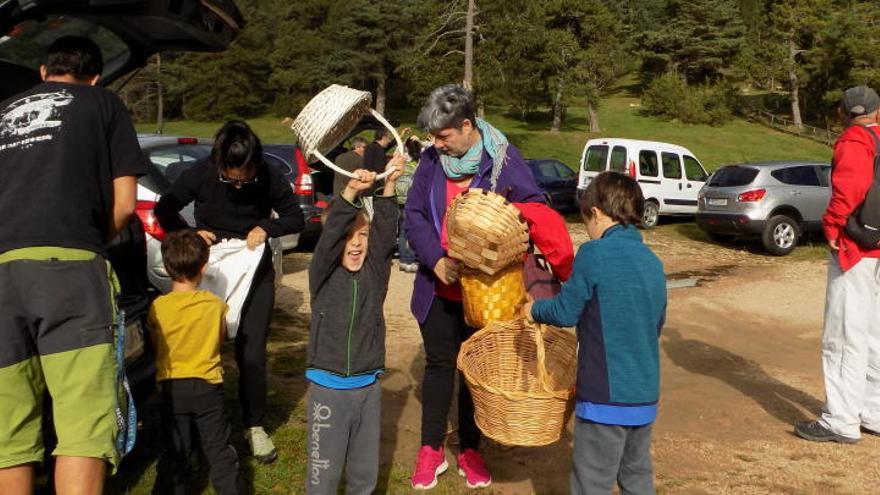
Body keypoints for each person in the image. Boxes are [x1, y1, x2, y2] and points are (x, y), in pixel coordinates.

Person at [0, 36, 145, 493]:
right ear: (96, 77)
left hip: (2, 272)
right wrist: (86, 242)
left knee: (9, 432)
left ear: (44, 72)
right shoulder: (104, 103)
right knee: (83, 424)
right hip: (69, 267)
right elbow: (124, 204)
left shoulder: (4, 111)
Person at [404, 84, 545, 490]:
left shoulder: (503, 160)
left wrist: (500, 247)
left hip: (488, 293)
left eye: (444, 136)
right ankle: (431, 449)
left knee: (474, 371)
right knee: (438, 365)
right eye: (433, 137)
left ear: (466, 126)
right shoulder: (432, 161)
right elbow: (414, 214)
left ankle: (470, 448)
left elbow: (534, 208)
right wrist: (435, 259)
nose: (437, 144)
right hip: (439, 287)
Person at [155, 120, 304, 463]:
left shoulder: (267, 175)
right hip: (212, 268)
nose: (237, 184)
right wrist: (191, 235)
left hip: (254, 269)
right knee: (198, 349)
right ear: (219, 163)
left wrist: (267, 226)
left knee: (251, 353)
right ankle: (192, 424)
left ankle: (254, 425)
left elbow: (296, 217)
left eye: (244, 177)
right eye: (229, 177)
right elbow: (166, 208)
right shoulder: (202, 173)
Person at [525, 171, 667, 495]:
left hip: (605, 395)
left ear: (597, 214)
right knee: (637, 476)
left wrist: (534, 310)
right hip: (644, 394)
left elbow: (564, 311)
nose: (587, 230)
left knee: (592, 482)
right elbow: (655, 325)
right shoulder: (652, 262)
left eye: (586, 220)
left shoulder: (593, 254)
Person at [305, 156, 405, 494]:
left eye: (361, 234)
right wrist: (350, 191)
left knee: (364, 475)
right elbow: (332, 234)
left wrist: (389, 183)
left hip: (367, 389)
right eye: (349, 237)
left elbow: (385, 236)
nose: (357, 243)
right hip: (327, 390)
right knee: (324, 476)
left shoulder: (374, 276)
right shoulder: (322, 274)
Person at [795, 85, 880, 444]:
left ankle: (840, 420)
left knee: (844, 335)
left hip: (855, 249)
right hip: (878, 248)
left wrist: (831, 227)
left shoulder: (853, 142)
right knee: (874, 335)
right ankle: (873, 411)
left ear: (842, 114)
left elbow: (849, 189)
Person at [150, 230, 244, 494]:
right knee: (219, 451)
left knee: (175, 451)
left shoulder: (157, 306)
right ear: (204, 267)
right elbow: (220, 339)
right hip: (207, 387)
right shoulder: (215, 305)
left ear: (167, 268)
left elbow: (157, 346)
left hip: (172, 388)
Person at [396, 136, 424, 273]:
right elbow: (433, 149)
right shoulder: (419, 160)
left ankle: (403, 260)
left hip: (399, 198)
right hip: (412, 198)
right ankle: (410, 260)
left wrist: (403, 138)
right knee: (413, 229)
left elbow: (397, 148)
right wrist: (421, 141)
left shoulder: (401, 156)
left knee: (402, 230)